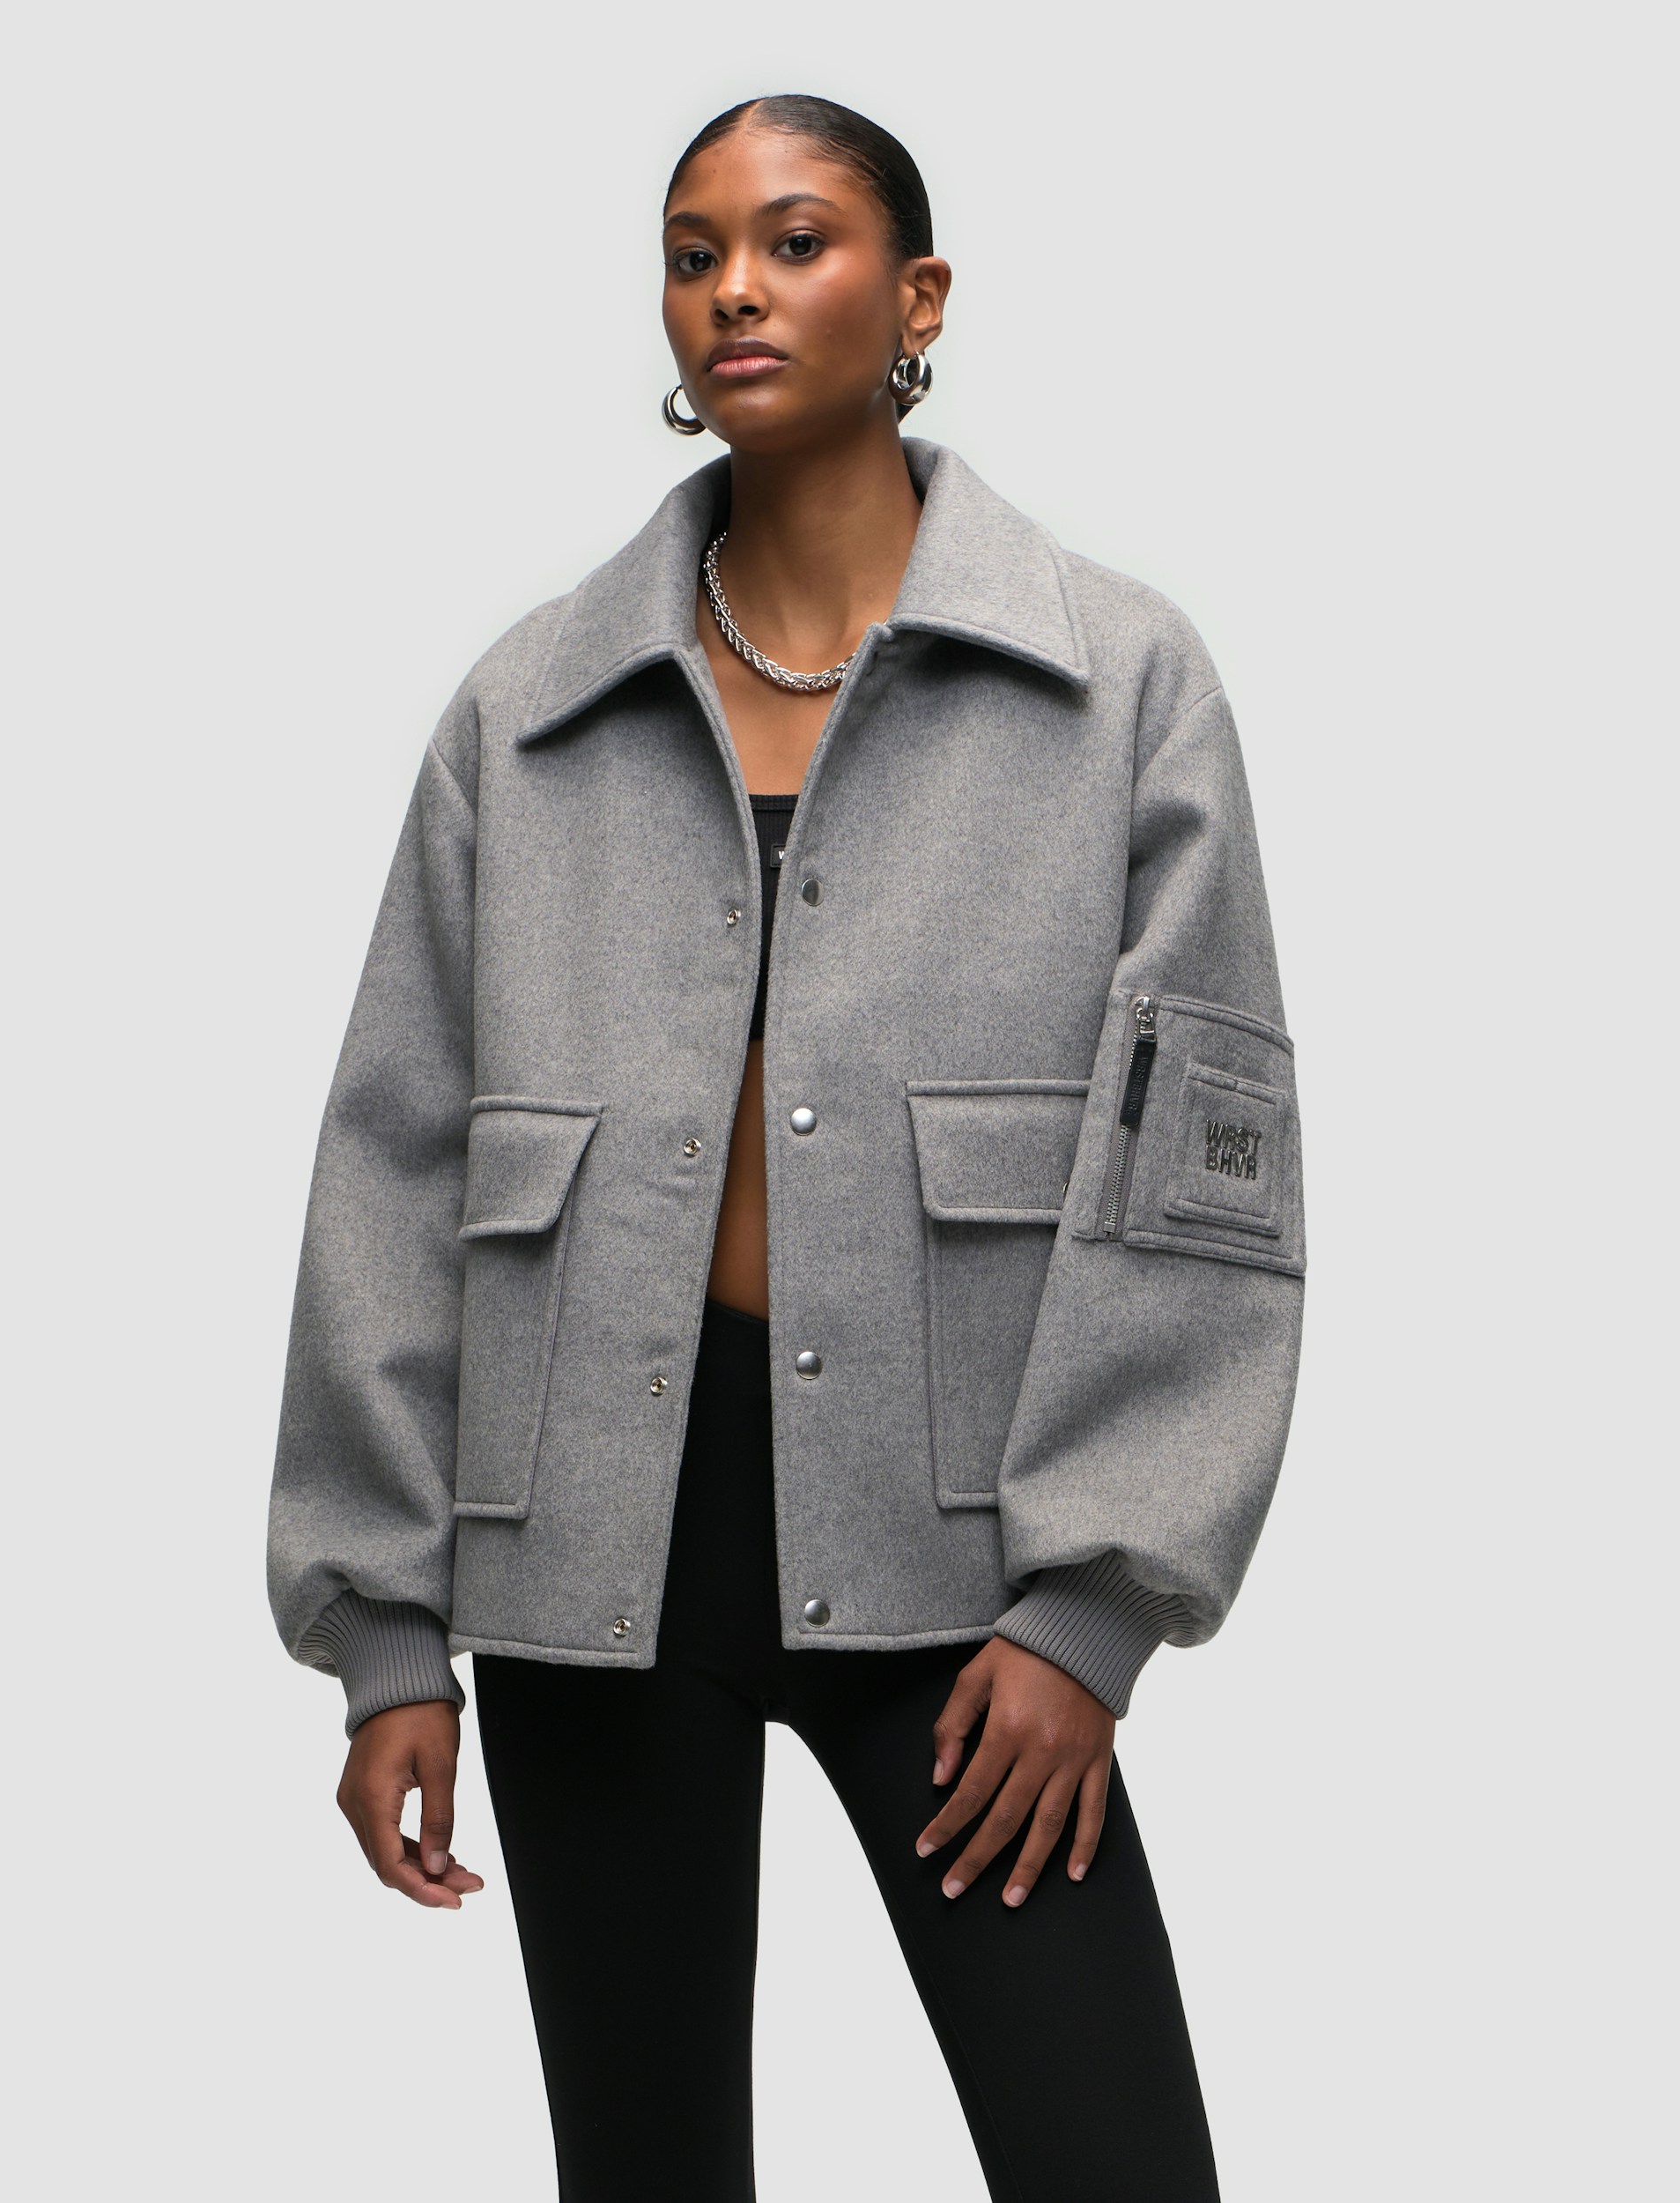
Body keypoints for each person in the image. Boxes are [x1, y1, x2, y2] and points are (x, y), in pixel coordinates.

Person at [267, 93, 1306, 2202]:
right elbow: (390, 1160)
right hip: (586, 1559)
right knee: (645, 2170)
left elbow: (1202, 1176)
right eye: (694, 250)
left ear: (917, 298)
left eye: (795, 239)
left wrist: (1094, 1599)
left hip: (963, 1565)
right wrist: (384, 1633)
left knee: (1112, 2158)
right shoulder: (526, 708)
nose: (734, 287)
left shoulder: (1116, 681)